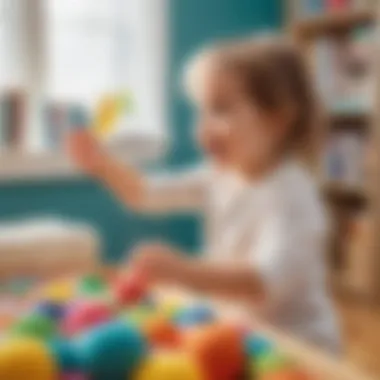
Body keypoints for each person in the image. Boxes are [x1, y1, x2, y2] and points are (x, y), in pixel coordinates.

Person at [67, 36, 341, 353]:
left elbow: (262, 282)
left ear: (278, 119)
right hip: (242, 335)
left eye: (221, 109)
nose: (203, 127)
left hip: (299, 349)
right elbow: (146, 193)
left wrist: (183, 271)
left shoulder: (292, 196)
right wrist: (102, 164)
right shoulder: (219, 176)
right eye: (202, 111)